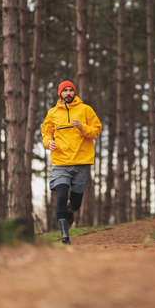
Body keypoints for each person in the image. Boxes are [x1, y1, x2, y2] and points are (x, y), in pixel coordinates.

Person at [41, 80, 102, 244]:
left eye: (71, 90)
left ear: (74, 92)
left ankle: (71, 210)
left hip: (82, 162)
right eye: (65, 90)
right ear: (60, 93)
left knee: (75, 202)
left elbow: (97, 130)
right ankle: (64, 236)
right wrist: (48, 143)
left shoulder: (86, 110)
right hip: (60, 162)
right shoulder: (52, 113)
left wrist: (83, 128)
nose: (68, 93)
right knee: (61, 195)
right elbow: (46, 133)